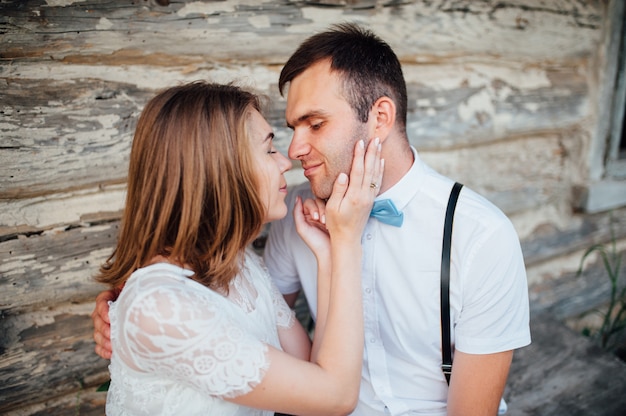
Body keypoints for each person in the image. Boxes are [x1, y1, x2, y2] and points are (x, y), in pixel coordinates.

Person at [94, 24, 531, 416]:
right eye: (287, 131)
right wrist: (126, 301)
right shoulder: (295, 216)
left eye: (315, 124)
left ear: (379, 118)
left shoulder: (480, 236)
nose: (294, 150)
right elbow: (223, 320)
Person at [93, 80, 384, 415]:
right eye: (269, 150)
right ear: (220, 168)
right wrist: (348, 240)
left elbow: (310, 369)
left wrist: (328, 254)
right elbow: (335, 397)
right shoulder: (159, 307)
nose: (285, 162)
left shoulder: (240, 265)